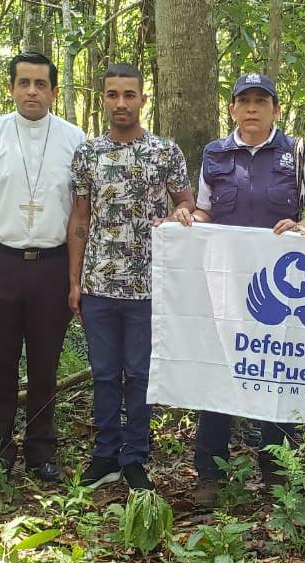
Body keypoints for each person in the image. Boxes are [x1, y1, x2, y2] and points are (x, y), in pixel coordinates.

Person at [189, 72, 305, 507]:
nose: (252, 108)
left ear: (275, 108)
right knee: (219, 370)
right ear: (232, 108)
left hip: (280, 289)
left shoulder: (298, 151)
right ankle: (210, 475)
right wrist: (186, 224)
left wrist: (302, 229)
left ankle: (276, 472)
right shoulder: (215, 153)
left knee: (279, 372)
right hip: (225, 282)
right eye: (243, 100)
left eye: (261, 100)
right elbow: (203, 211)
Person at [0, 52, 87, 483]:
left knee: (46, 363)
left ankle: (41, 450)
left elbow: (81, 213)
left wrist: (76, 275)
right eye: (24, 83)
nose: (32, 91)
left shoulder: (74, 139)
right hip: (0, 262)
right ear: (11, 87)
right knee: (0, 360)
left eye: (41, 84)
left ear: (53, 90)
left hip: (51, 264)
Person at [67, 63, 195, 492]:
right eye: (112, 95)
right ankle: (105, 454)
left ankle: (136, 456)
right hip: (100, 285)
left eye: (129, 94)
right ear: (103, 99)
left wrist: (182, 214)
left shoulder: (165, 151)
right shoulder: (88, 153)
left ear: (143, 99)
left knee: (139, 375)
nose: (120, 103)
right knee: (104, 373)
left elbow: (187, 206)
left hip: (149, 286)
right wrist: (74, 283)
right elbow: (80, 218)